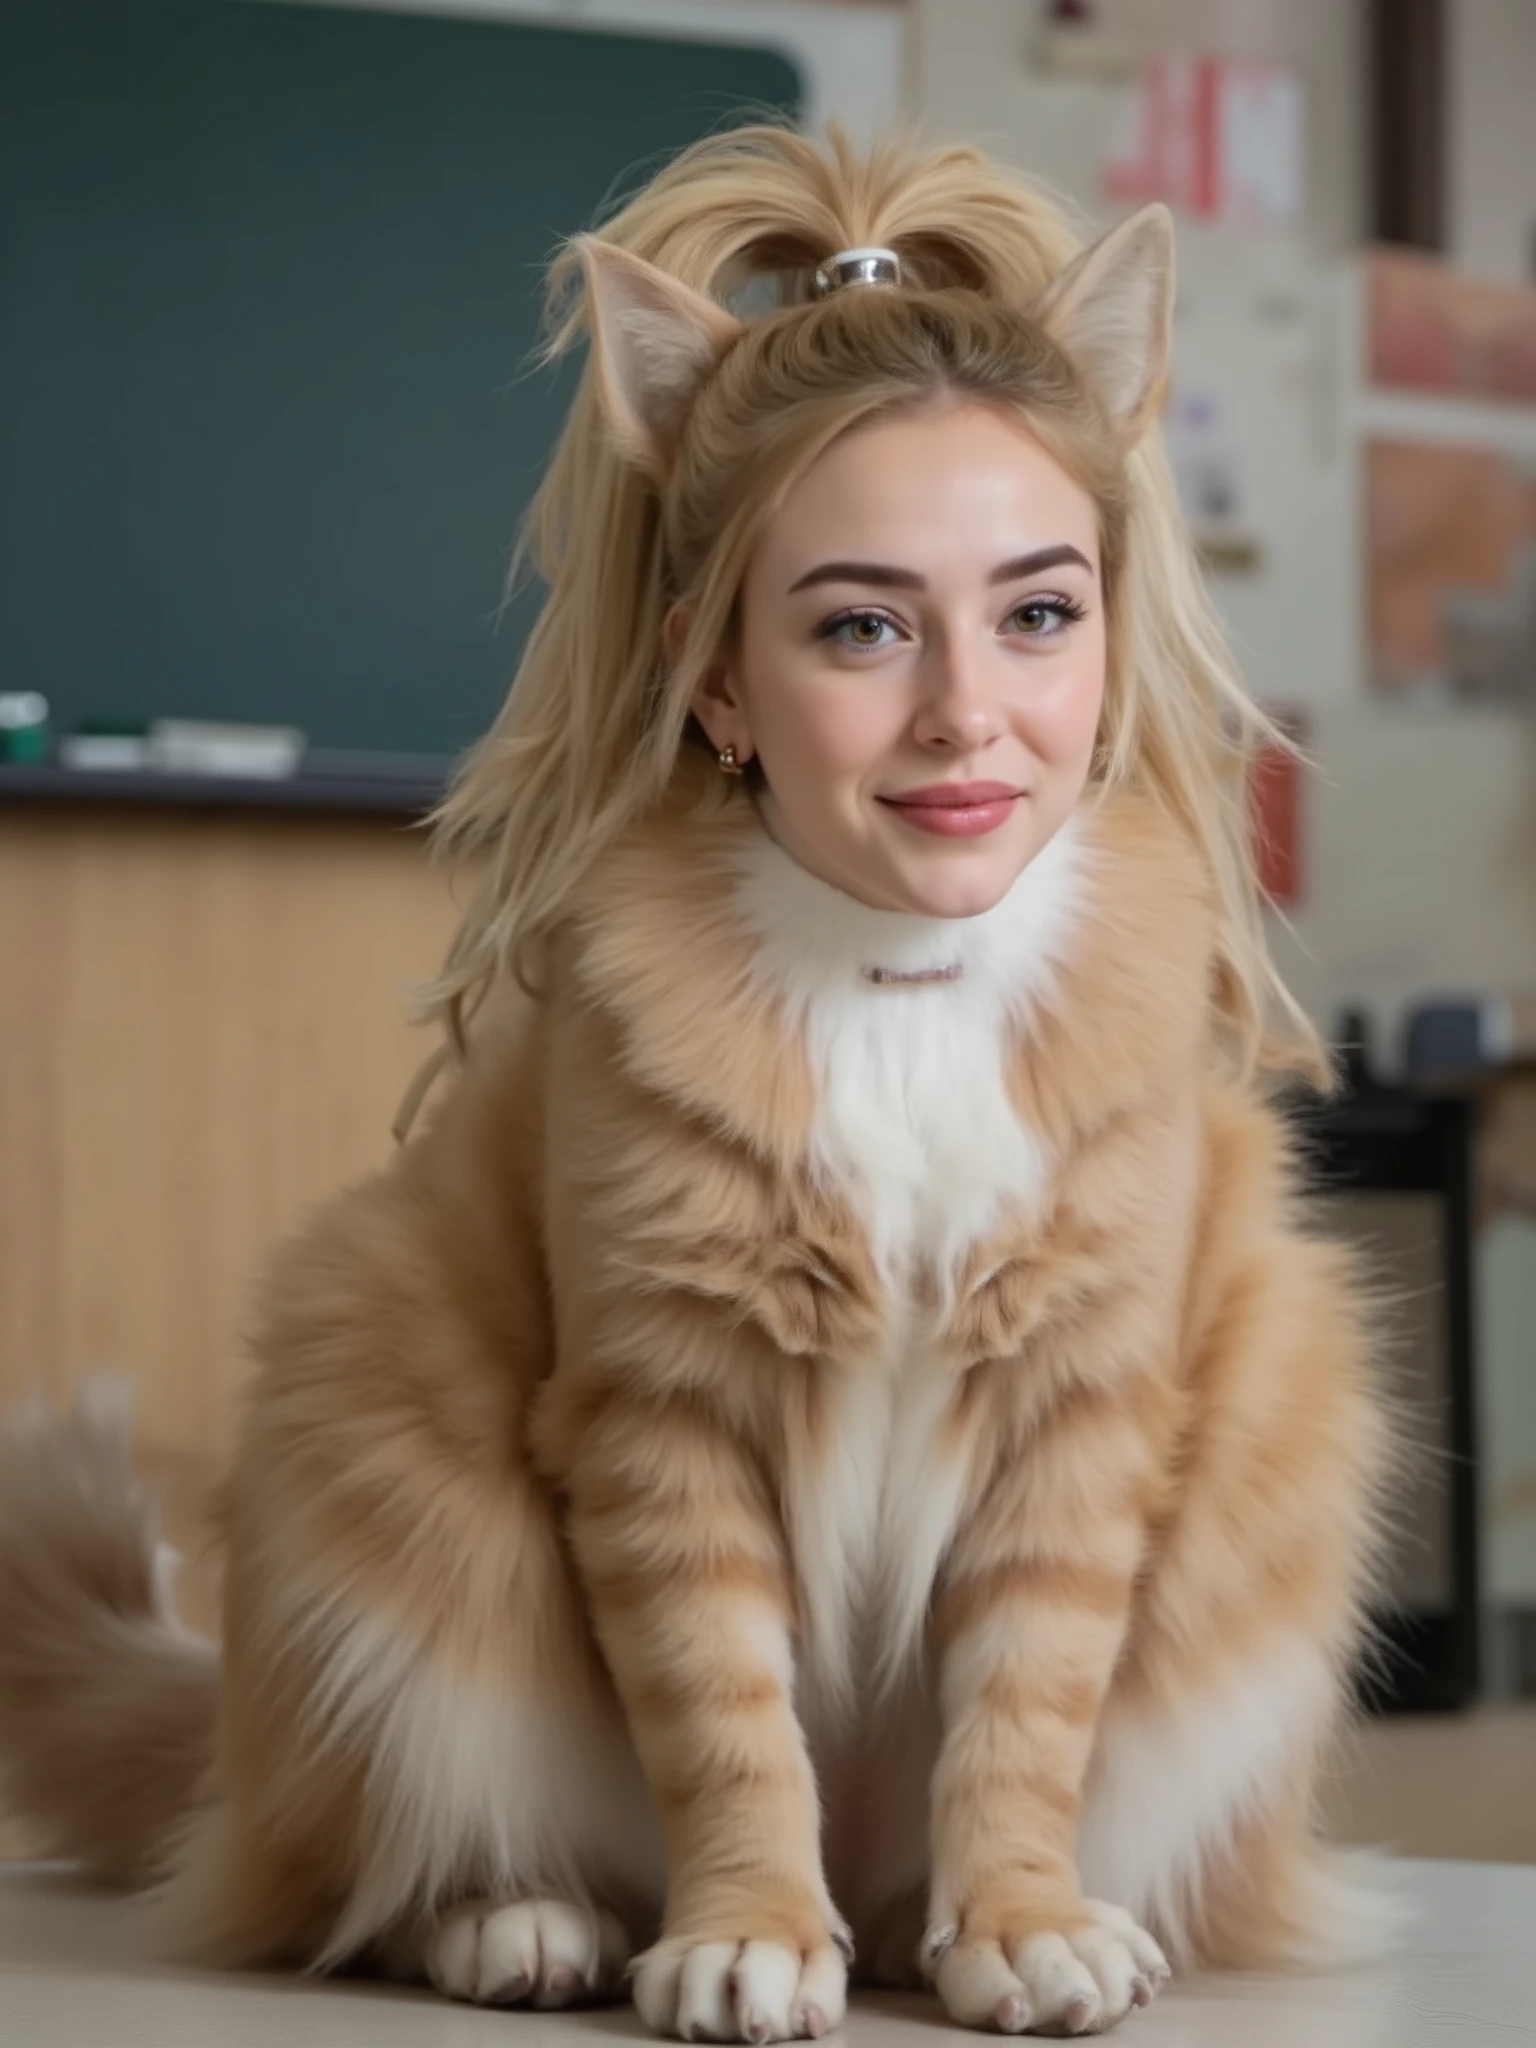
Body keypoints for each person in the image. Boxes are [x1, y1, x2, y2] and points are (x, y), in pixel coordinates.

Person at [0, 126, 1387, 2041]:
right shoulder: (635, 998)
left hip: (1010, 1798)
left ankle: (981, 1884)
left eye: (1039, 612)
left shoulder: (1144, 983)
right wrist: (741, 1867)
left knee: (1252, 1386)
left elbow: (1081, 1478)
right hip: (620, 1751)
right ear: (716, 680)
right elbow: (653, 1462)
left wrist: (1009, 1872)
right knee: (379, 1371)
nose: (967, 710)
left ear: (1113, 637)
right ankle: (507, 1877)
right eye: (861, 624)